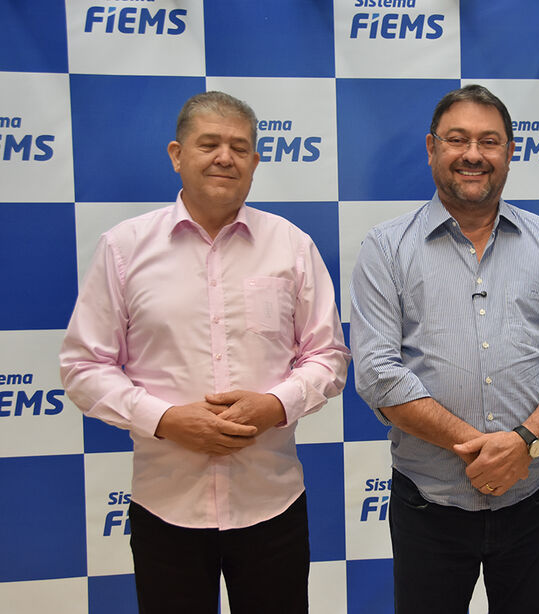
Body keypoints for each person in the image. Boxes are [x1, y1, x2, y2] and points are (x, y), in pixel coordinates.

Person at [60, 91, 350, 614]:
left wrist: (275, 405)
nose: (225, 157)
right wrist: (165, 419)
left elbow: (328, 355)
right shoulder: (123, 248)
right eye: (209, 143)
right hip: (166, 507)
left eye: (240, 147)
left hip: (272, 504)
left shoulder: (292, 245)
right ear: (177, 154)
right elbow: (84, 367)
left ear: (257, 161)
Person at [350, 84, 539, 614]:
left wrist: (524, 441)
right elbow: (377, 373)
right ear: (431, 147)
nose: (472, 154)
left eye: (489, 141)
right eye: (457, 139)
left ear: (510, 151)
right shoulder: (386, 247)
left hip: (530, 498)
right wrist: (488, 449)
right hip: (429, 503)